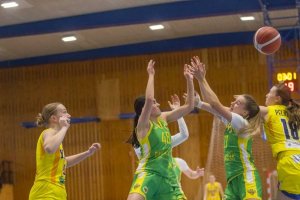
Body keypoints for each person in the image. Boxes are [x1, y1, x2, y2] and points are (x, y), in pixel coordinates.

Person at [190, 56, 262, 200]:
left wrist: (201, 79)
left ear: (245, 112)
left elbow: (215, 104)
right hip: (232, 181)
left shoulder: (241, 122)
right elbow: (213, 108)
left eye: (238, 103)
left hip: (246, 178)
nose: (232, 102)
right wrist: (199, 102)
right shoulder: (232, 122)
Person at [127, 60, 195, 200]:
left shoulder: (163, 118)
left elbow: (189, 106)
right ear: (144, 110)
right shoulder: (143, 125)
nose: (158, 104)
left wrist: (189, 80)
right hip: (149, 173)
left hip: (167, 177)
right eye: (155, 103)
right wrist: (151, 74)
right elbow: (149, 98)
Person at [29, 102, 101, 200]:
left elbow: (63, 162)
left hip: (56, 192)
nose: (69, 115)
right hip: (46, 192)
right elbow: (49, 148)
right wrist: (64, 128)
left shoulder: (56, 139)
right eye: (64, 112)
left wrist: (87, 153)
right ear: (54, 118)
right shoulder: (48, 132)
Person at [259, 83, 300, 200]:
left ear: (277, 99)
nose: (266, 95)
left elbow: (239, 110)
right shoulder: (295, 113)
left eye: (270, 93)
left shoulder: (269, 111)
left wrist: (202, 104)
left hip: (290, 165)